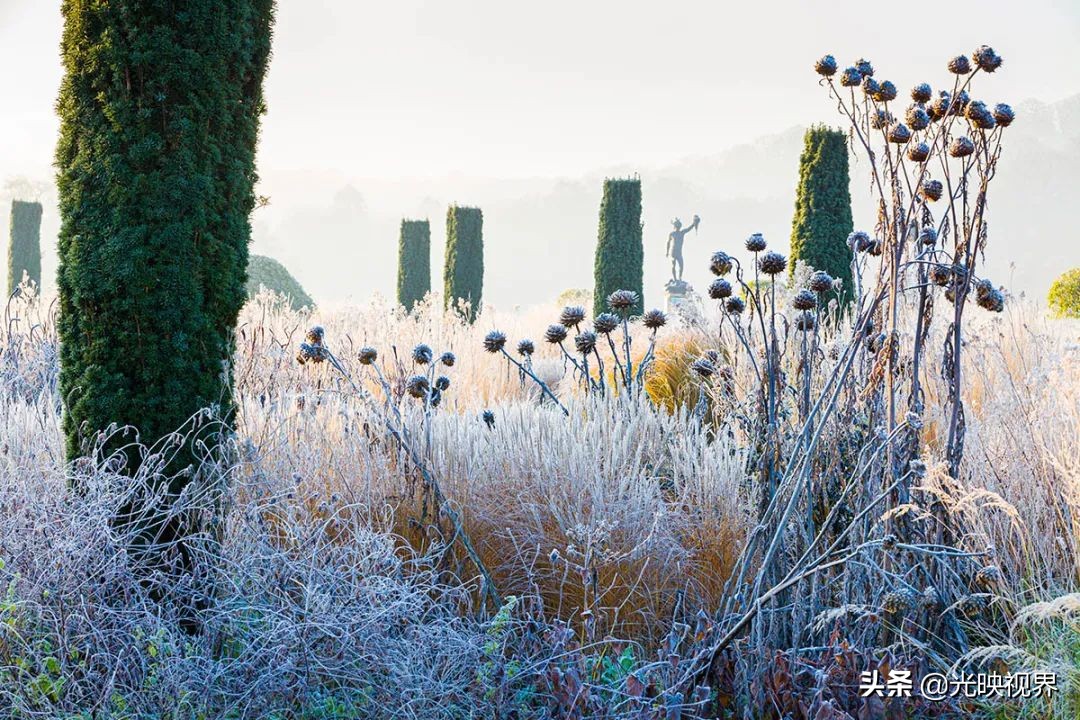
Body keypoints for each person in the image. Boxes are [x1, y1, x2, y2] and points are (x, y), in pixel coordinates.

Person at [666, 214, 700, 281]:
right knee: (674, 265)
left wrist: (694, 223)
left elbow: (689, 228)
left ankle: (680, 278)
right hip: (673, 251)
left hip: (679, 252)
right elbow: (668, 243)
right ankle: (675, 279)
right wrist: (667, 252)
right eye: (677, 225)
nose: (678, 227)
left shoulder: (682, 232)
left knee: (681, 266)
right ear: (675, 226)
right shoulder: (672, 234)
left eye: (679, 226)